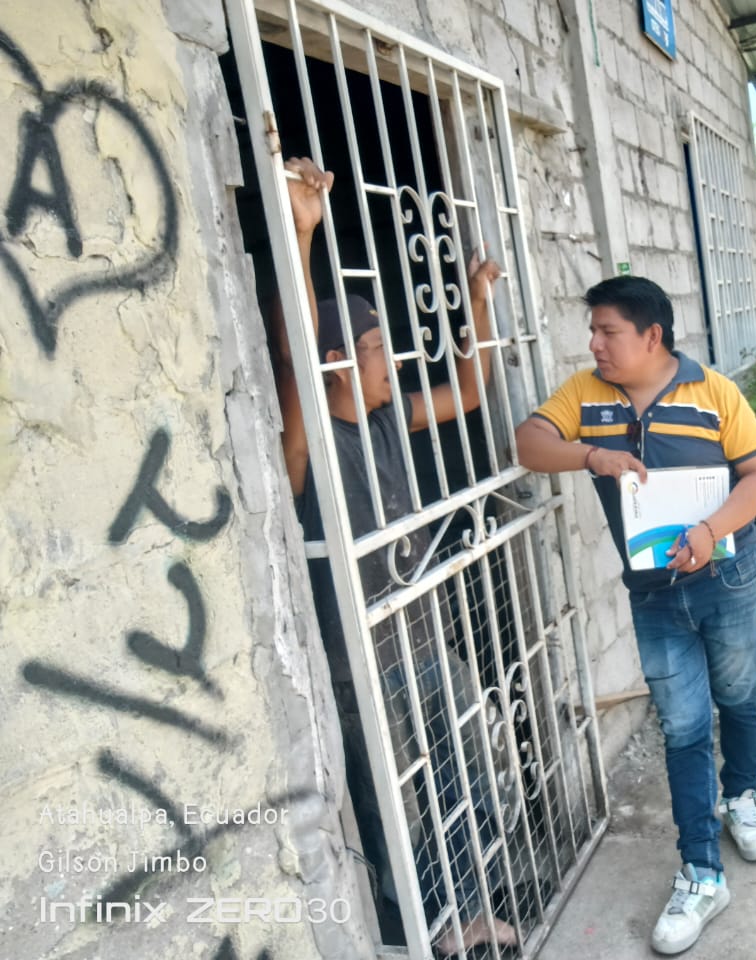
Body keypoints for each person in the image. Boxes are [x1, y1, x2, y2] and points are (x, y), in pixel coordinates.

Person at [274, 157, 516, 955]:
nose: (394, 359)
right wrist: (302, 235)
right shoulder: (308, 444)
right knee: (391, 797)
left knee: (460, 767)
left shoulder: (388, 417)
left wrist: (477, 302)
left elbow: (469, 394)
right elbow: (295, 357)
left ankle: (470, 904)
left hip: (420, 632)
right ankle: (427, 926)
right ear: (339, 363)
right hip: (361, 657)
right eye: (377, 346)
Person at [514, 275, 756, 954]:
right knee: (682, 725)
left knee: (738, 693)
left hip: (726, 573)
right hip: (654, 591)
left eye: (608, 331)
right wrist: (592, 454)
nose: (595, 344)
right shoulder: (585, 395)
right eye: (593, 331)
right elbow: (530, 444)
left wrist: (710, 530)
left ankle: (743, 795)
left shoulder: (712, 392)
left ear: (651, 335)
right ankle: (702, 873)